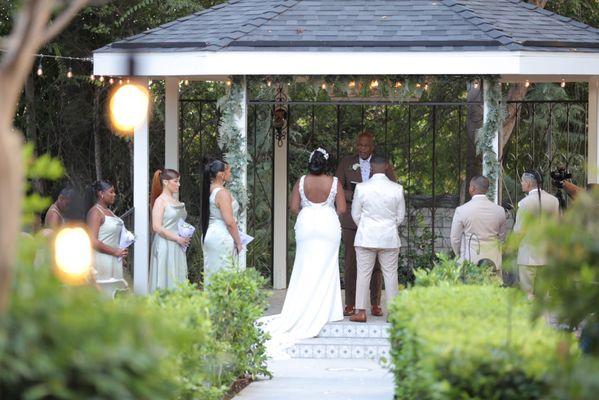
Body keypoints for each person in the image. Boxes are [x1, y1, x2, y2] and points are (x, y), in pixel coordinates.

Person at [260, 147, 346, 357]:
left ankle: (301, 305)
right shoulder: (334, 182)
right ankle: (329, 310)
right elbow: (342, 209)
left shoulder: (301, 181)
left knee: (305, 267)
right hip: (328, 223)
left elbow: (293, 207)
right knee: (327, 267)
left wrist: (308, 212)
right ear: (326, 163)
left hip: (307, 224)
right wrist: (325, 211)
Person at [335, 131, 396, 317]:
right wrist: (356, 195)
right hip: (351, 222)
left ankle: (375, 303)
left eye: (366, 145)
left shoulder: (383, 164)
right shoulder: (346, 162)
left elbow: (393, 187)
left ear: (372, 146)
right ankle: (351, 304)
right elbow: (337, 188)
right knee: (351, 263)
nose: (362, 148)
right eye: (359, 145)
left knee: (377, 264)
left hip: (377, 222)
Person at [350, 155, 405, 323]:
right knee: (390, 275)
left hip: (366, 236)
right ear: (387, 167)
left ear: (371, 168)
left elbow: (355, 215)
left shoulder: (361, 187)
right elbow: (400, 217)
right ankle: (393, 312)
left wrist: (366, 227)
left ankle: (360, 311)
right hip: (388, 237)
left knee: (363, 274)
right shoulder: (397, 188)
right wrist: (388, 227)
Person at [514, 171, 559, 298]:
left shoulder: (524, 203)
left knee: (527, 294)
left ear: (528, 183)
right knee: (544, 295)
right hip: (546, 254)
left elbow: (519, 231)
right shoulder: (554, 201)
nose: (521, 184)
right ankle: (545, 318)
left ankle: (528, 317)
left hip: (527, 255)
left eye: (522, 181)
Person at [450, 176, 507, 272]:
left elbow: (455, 238)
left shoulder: (461, 210)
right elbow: (502, 238)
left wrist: (459, 255)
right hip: (493, 261)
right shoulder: (500, 211)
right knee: (493, 286)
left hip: (469, 261)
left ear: (472, 188)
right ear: (486, 189)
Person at [201, 160, 243, 285]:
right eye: (228, 170)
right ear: (221, 174)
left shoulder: (209, 189)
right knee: (225, 276)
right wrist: (239, 242)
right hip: (221, 237)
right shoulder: (222, 193)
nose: (230, 173)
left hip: (211, 234)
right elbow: (229, 222)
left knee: (213, 275)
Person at [149, 169, 190, 292]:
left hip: (178, 245)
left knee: (177, 277)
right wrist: (177, 238)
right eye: (176, 181)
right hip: (165, 244)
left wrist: (185, 235)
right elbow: (156, 227)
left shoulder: (176, 201)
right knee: (164, 278)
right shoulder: (160, 201)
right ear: (166, 182)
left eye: (179, 181)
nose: (179, 184)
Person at [86, 180, 127, 280]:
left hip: (114, 258)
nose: (115, 194)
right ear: (101, 194)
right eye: (111, 192)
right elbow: (92, 240)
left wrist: (121, 252)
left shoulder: (109, 211)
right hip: (102, 260)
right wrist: (115, 251)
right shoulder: (95, 212)